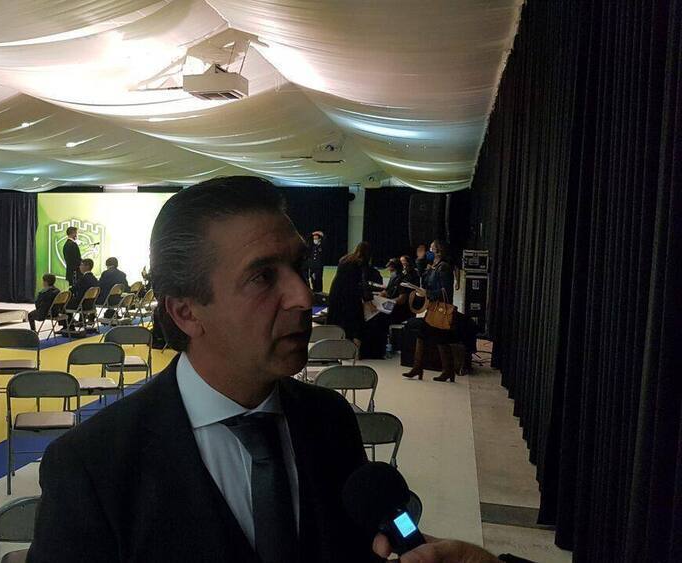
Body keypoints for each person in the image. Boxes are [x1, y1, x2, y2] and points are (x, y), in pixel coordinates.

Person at [29, 176, 501, 563]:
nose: (302, 296)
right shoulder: (93, 465)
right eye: (262, 277)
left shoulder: (330, 420)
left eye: (298, 266)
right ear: (186, 312)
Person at [403, 239, 465, 382]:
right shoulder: (434, 266)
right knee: (431, 337)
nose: (428, 252)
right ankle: (425, 368)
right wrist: (420, 260)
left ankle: (431, 369)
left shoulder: (444, 267)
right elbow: (424, 278)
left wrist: (428, 293)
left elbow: (445, 291)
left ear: (438, 251)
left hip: (440, 309)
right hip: (434, 308)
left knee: (438, 339)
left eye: (431, 249)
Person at [326, 241, 376, 349]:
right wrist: (368, 301)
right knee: (356, 321)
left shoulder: (345, 259)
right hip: (349, 294)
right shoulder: (361, 262)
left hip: (336, 292)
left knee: (337, 318)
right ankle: (355, 348)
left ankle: (334, 345)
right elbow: (363, 283)